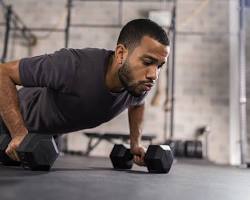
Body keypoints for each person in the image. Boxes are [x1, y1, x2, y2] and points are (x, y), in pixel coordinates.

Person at [0, 18, 170, 167]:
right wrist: (19, 134)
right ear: (120, 54)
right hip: (8, 124)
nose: (154, 75)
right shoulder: (73, 65)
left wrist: (135, 143)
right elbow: (3, 73)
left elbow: (138, 104)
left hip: (41, 140)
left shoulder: (138, 84)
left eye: (159, 66)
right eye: (148, 62)